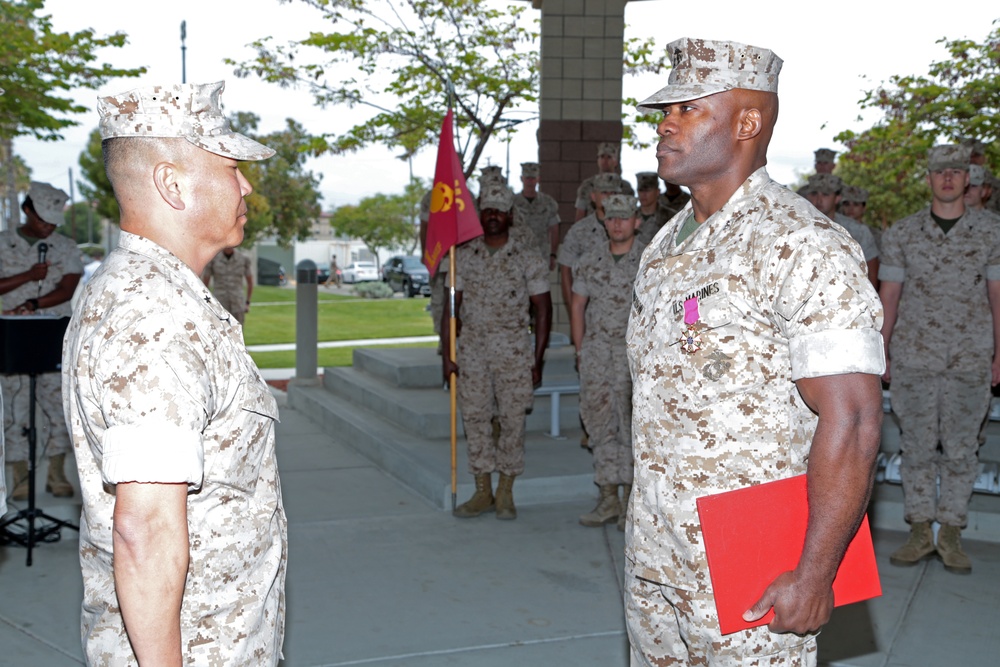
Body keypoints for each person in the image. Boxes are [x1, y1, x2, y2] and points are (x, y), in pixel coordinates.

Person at [625, 37, 884, 665]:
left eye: (690, 110)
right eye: (666, 111)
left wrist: (816, 573)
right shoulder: (665, 244)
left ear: (748, 123)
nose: (667, 123)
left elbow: (850, 419)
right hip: (656, 554)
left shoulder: (802, 244)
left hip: (753, 568)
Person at [63, 81, 287, 665]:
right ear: (171, 183)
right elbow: (146, 533)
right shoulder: (152, 314)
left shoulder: (158, 291)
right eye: (231, 167)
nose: (246, 185)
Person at [879, 144, 1000, 575]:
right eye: (939, 171)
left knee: (962, 450)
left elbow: (997, 296)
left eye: (955, 171)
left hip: (970, 356)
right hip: (914, 356)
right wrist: (883, 349)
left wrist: (999, 354)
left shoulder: (991, 232)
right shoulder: (902, 233)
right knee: (915, 447)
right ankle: (918, 531)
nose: (947, 178)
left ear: (968, 180)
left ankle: (950, 532)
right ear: (928, 179)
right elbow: (889, 296)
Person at [444, 183, 552, 521]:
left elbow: (544, 309)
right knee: (474, 419)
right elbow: (451, 309)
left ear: (510, 215)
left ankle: (505, 490)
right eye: (487, 210)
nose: (493, 216)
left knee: (512, 421)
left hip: (513, 354)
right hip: (472, 352)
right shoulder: (463, 254)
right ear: (481, 213)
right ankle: (482, 490)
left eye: (499, 210)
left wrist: (537, 359)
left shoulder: (526, 255)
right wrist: (447, 353)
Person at [0, 181, 83, 501]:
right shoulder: (3, 242)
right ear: (26, 210)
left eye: (52, 221)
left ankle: (57, 473)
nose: (48, 227)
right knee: (13, 409)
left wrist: (34, 304)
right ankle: (20, 477)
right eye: (41, 220)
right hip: (11, 339)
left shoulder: (66, 247)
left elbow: (68, 286)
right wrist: (27, 277)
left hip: (51, 336)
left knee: (59, 408)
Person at [571, 193, 643, 531]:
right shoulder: (590, 259)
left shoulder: (650, 258)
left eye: (624, 217)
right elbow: (577, 304)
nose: (617, 223)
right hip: (598, 352)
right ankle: (608, 497)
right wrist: (580, 348)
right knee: (600, 425)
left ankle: (632, 501)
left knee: (633, 428)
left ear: (636, 221)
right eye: (611, 217)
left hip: (633, 357)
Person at [805, 173, 879, 289]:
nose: (819, 200)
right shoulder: (797, 226)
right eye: (814, 194)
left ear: (837, 198)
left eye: (825, 194)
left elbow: (871, 272)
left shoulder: (857, 231)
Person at [513, 162, 561, 270]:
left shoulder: (548, 203)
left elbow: (554, 229)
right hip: (517, 256)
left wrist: (553, 254)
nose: (530, 181)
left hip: (540, 255)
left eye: (533, 178)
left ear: (538, 179)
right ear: (521, 178)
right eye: (527, 178)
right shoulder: (512, 203)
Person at [574, 142, 634, 221]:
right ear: (597, 160)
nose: (605, 160)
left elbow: (631, 213)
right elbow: (580, 213)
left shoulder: (625, 187)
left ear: (615, 162)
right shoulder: (587, 185)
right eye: (602, 157)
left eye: (609, 157)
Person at [202, 246, 254, 324]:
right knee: (220, 332)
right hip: (220, 302)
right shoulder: (213, 259)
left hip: (237, 302)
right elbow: (205, 282)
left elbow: (250, 282)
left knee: (238, 331)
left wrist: (247, 302)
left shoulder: (243, 259)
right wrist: (206, 301)